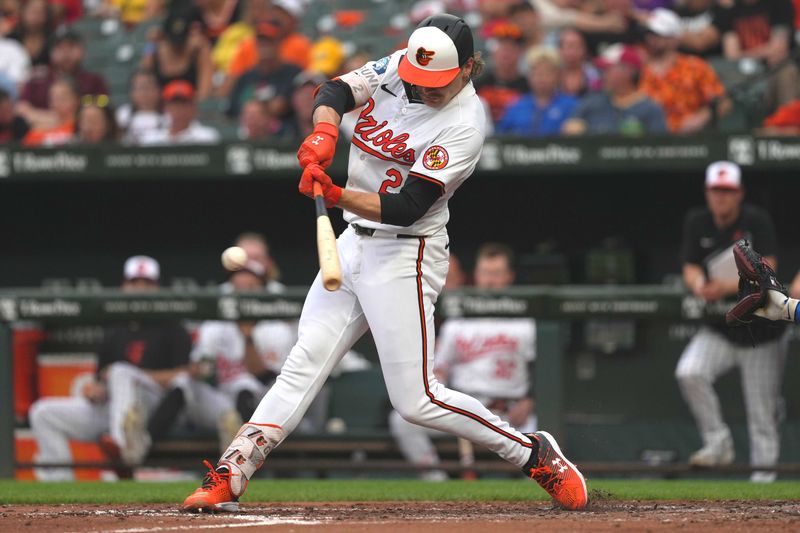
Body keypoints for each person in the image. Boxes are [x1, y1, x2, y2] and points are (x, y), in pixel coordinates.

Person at [181, 13, 587, 513]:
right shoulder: (404, 65)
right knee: (303, 360)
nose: (425, 90)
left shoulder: (464, 124)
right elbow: (332, 93)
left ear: (467, 69)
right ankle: (233, 469)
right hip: (354, 242)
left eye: (437, 83)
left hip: (406, 251)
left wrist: (336, 192)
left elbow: (407, 205)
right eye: (421, 81)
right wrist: (324, 136)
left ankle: (531, 452)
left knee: (416, 400)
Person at [28, 256, 192, 480]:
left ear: (157, 288)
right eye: (135, 283)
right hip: (114, 406)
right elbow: (100, 379)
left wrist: (134, 376)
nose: (140, 289)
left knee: (121, 372)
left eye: (147, 283)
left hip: (153, 408)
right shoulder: (114, 329)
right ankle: (60, 488)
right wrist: (95, 390)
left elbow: (184, 376)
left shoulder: (172, 326)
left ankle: (122, 447)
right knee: (42, 413)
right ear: (124, 286)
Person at [675, 161, 788, 483]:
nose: (721, 197)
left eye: (727, 191)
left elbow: (770, 267)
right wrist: (698, 285)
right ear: (708, 192)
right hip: (721, 328)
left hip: (761, 333)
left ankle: (763, 485)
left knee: (761, 414)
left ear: (739, 194)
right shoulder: (697, 221)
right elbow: (690, 266)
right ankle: (717, 441)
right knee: (690, 372)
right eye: (716, 191)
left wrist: (723, 286)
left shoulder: (755, 220)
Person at [390, 244, 537, 481]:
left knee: (545, 435)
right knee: (403, 421)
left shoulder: (525, 322)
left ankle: (541, 488)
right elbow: (440, 370)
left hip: (510, 410)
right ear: (476, 275)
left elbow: (543, 370)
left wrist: (530, 400)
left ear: (510, 277)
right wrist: (441, 389)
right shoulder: (457, 323)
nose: (490, 281)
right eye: (485, 273)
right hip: (466, 409)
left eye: (497, 273)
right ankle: (436, 482)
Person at [146, 253, 295, 453]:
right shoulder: (215, 324)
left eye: (250, 287)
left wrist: (248, 338)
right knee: (183, 382)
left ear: (263, 290)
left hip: (263, 403)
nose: (243, 293)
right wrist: (199, 370)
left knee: (244, 384)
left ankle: (246, 455)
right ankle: (142, 445)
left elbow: (266, 379)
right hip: (223, 402)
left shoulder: (277, 328)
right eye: (237, 287)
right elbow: (205, 372)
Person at [639, 8, 728, 133]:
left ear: (675, 39)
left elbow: (723, 103)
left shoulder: (695, 66)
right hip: (647, 141)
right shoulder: (637, 68)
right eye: (649, 35)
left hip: (690, 141)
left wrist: (700, 118)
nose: (651, 40)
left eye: (658, 35)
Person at [562, 44, 666, 136]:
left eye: (608, 69)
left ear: (628, 71)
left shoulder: (650, 109)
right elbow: (571, 127)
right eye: (602, 70)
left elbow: (658, 149)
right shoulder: (592, 101)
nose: (603, 74)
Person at [718, 0, 798, 113]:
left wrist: (744, 54)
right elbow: (731, 54)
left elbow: (779, 48)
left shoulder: (779, 3)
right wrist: (766, 51)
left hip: (774, 69)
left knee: (786, 71)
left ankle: (787, 123)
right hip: (742, 72)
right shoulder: (730, 9)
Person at [19, 27, 108, 110]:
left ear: (82, 50)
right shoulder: (37, 79)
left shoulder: (94, 80)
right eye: (60, 48)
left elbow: (103, 109)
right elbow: (22, 109)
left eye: (71, 46)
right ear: (50, 52)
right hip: (42, 126)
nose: (66, 53)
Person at [495, 46, 577, 136]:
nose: (542, 78)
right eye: (537, 73)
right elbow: (501, 136)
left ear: (557, 75)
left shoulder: (571, 105)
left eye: (547, 73)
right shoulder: (516, 105)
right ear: (529, 76)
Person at [226, 21, 300, 120]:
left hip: (283, 132)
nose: (264, 47)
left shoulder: (292, 73)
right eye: (261, 43)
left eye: (269, 42)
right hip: (246, 131)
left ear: (278, 43)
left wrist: (255, 107)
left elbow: (279, 107)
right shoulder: (247, 76)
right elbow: (233, 109)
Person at [140, 12, 213, 101]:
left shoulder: (198, 52)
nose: (177, 47)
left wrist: (204, 48)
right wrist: (150, 44)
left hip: (188, 107)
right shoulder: (156, 50)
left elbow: (204, 94)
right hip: (161, 108)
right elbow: (144, 73)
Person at [473, 22, 528, 125]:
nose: (506, 52)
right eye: (502, 46)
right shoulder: (479, 84)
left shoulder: (528, 87)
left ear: (520, 52)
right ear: (494, 52)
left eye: (511, 47)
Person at [139, 80, 220, 145]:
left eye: (184, 103)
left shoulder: (207, 137)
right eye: (174, 104)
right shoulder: (152, 139)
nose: (179, 109)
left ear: (193, 107)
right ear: (165, 107)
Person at [21, 76, 79, 146]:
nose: (56, 103)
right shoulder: (38, 131)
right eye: (53, 98)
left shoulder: (81, 128)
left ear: (76, 100)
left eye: (62, 98)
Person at [116, 69, 165, 144]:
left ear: (158, 90)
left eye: (146, 87)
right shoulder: (122, 114)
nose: (142, 93)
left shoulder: (169, 114)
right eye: (137, 88)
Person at [9, 0, 53, 67]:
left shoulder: (52, 39)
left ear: (47, 15)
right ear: (23, 12)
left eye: (40, 12)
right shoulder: (12, 38)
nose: (35, 16)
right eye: (32, 11)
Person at [558, 27, 600, 98]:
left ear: (584, 49)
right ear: (560, 49)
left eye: (576, 46)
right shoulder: (553, 74)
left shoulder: (594, 74)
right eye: (568, 46)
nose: (572, 51)